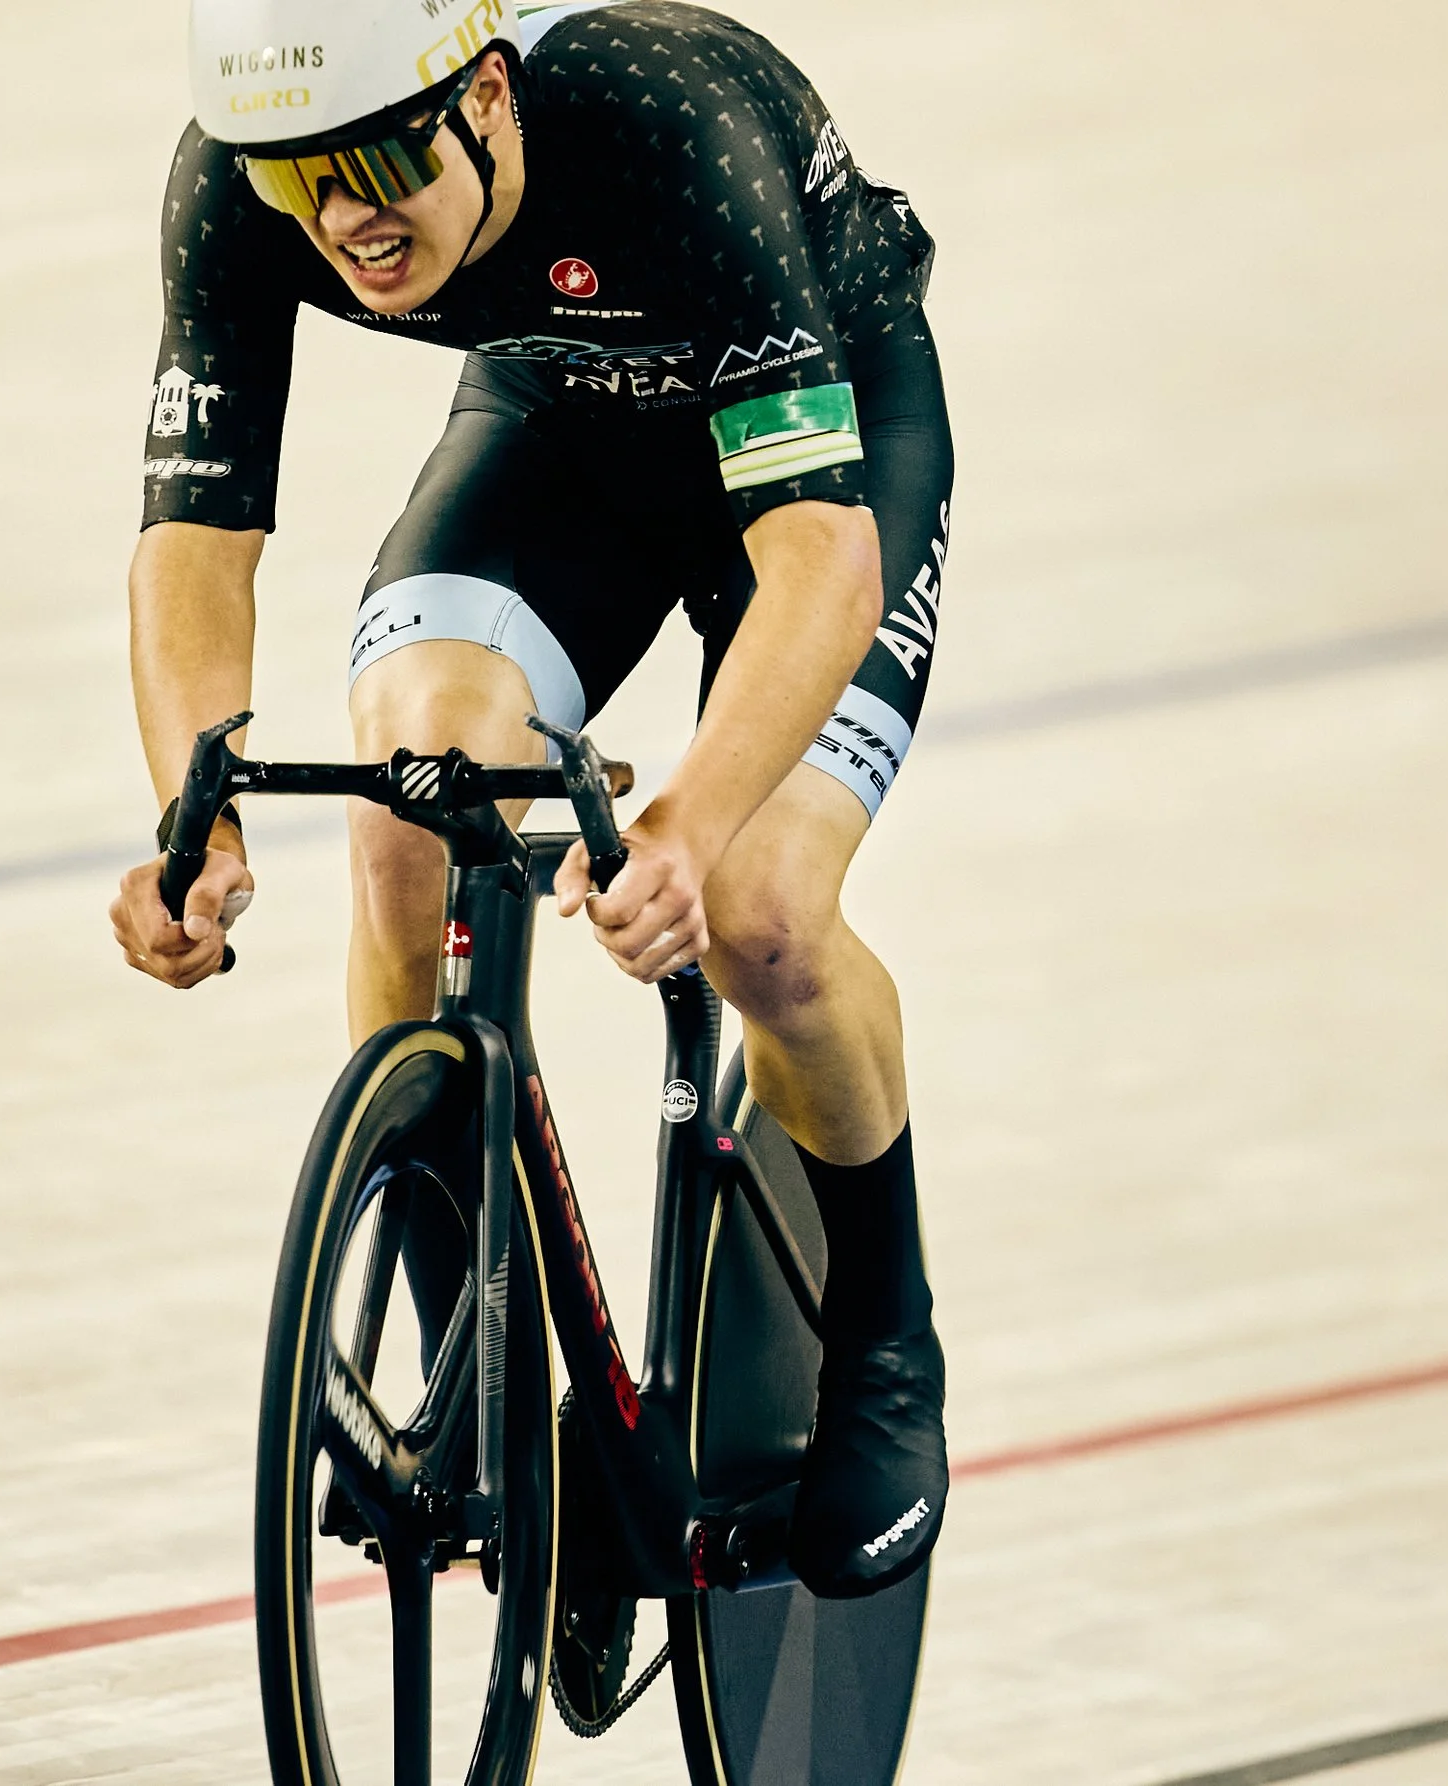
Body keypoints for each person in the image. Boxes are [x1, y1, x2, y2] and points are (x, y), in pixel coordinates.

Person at [106, 0, 952, 1599]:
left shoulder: (663, 122)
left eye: (379, 159)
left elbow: (818, 560)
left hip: (828, 457)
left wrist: (691, 828)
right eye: (300, 180)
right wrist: (190, 817)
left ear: (489, 95)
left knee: (765, 917)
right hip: (561, 427)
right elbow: (195, 540)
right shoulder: (237, 182)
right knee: (404, 797)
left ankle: (886, 1346)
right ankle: (469, 1387)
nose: (344, 213)